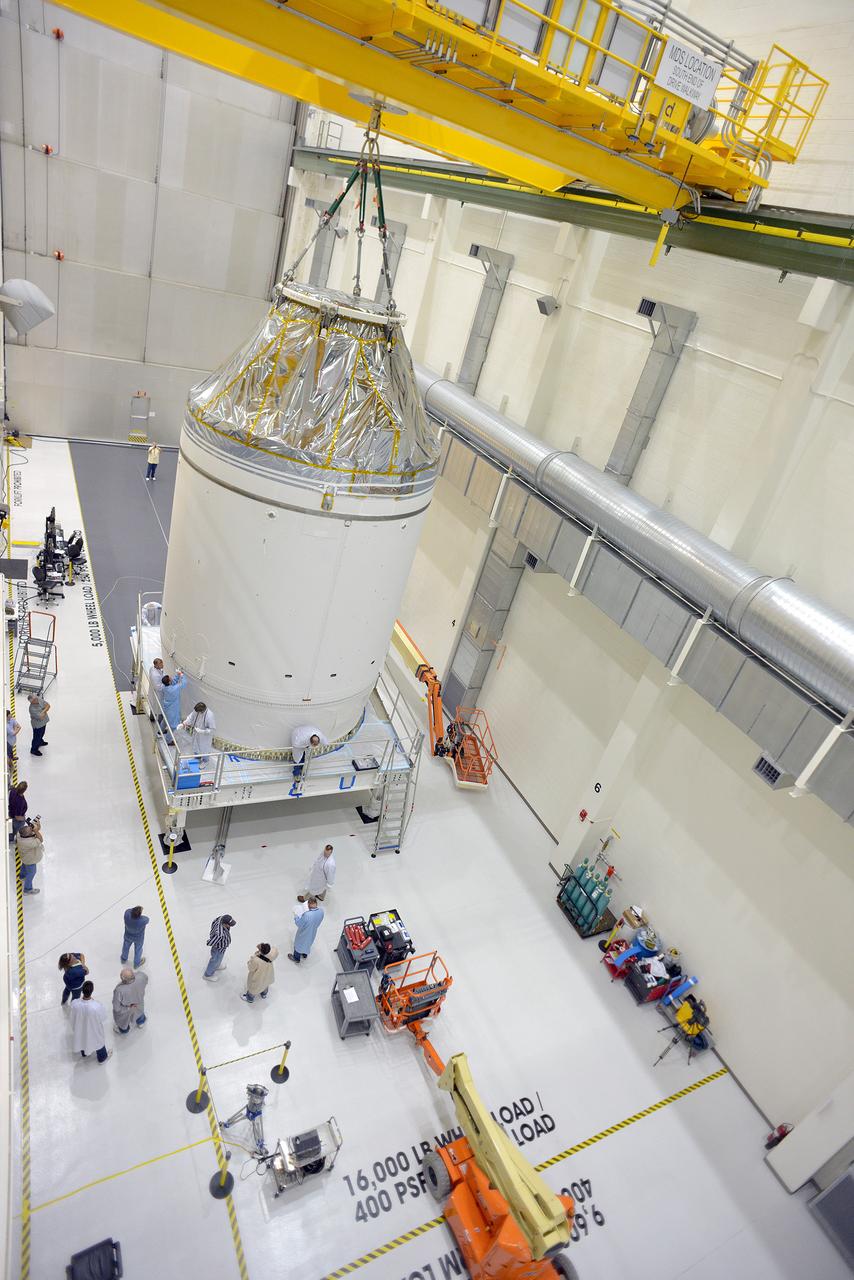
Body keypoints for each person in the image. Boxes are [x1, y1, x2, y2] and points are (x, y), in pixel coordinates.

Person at [69, 981, 111, 1063]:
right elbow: (103, 1017)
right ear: (92, 991)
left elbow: (72, 1017)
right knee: (98, 1042)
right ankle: (102, 1058)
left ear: (82, 990)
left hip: (80, 1029)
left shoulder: (75, 1003)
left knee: (82, 1040)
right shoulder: (97, 1006)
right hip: (93, 1030)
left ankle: (84, 1054)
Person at [289, 896, 324, 964]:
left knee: (299, 944)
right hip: (313, 931)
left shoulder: (307, 915)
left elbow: (299, 924)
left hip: (304, 933)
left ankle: (296, 958)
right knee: (308, 943)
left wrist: (296, 916)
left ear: (308, 905)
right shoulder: (321, 912)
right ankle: (304, 954)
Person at [113, 967, 148, 1033]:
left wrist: (128, 1008)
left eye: (121, 975)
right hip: (139, 1003)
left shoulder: (119, 990)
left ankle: (124, 1030)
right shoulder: (141, 977)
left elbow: (116, 1008)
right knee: (139, 1012)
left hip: (127, 1010)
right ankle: (141, 1022)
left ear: (123, 979)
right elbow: (146, 980)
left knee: (123, 1021)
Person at [203, 914, 236, 980]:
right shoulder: (220, 934)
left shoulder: (220, 918)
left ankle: (217, 965)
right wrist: (209, 942)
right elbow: (211, 942)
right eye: (229, 925)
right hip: (218, 948)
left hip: (222, 946)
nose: (230, 926)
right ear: (224, 924)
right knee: (214, 960)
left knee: (219, 958)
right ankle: (208, 975)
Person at [17, 819, 44, 894]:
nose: (31, 829)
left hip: (25, 858)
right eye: (31, 830)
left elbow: (34, 831)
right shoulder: (29, 843)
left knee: (24, 866)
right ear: (29, 835)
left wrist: (37, 825)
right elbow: (40, 839)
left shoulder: (20, 835)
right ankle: (28, 889)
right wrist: (35, 831)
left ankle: (22, 876)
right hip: (30, 860)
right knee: (31, 873)